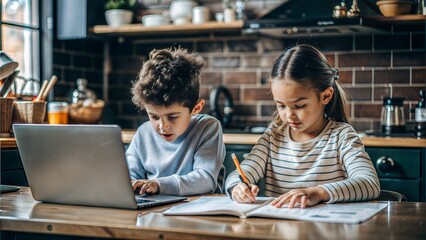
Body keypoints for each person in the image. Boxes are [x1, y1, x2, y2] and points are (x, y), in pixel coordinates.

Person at [225, 44, 380, 208]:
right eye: (281, 106)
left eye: (299, 106)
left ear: (325, 96)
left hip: (328, 229)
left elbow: (369, 183)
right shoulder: (273, 136)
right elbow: (240, 174)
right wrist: (238, 187)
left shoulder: (342, 136)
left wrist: (318, 193)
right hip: (279, 229)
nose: (289, 115)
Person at [126, 47, 225, 196]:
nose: (162, 126)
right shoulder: (143, 133)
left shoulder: (207, 128)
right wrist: (132, 184)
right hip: (153, 210)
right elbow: (128, 177)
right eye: (154, 117)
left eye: (172, 117)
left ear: (196, 108)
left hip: (198, 211)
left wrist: (159, 184)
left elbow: (205, 180)